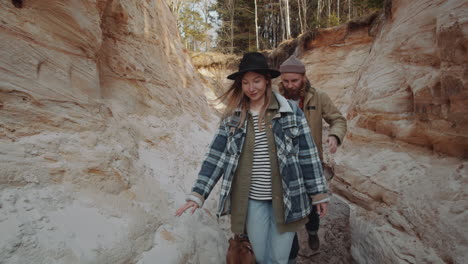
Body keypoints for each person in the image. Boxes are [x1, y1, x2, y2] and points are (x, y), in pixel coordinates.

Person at [175, 52, 329, 264]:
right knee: (262, 257)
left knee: (280, 258)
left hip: (287, 199)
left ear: (267, 80)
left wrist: (318, 192)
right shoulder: (233, 117)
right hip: (253, 201)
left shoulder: (290, 111)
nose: (251, 87)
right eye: (246, 82)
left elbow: (307, 153)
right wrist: (198, 194)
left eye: (256, 80)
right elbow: (216, 155)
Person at [278, 55, 347, 255]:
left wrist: (334, 136)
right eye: (286, 81)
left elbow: (338, 120)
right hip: (282, 161)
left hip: (311, 158)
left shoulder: (318, 97)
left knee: (313, 200)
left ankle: (313, 231)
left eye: (294, 81)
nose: (290, 85)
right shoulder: (274, 96)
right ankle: (288, 244)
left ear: (304, 78)